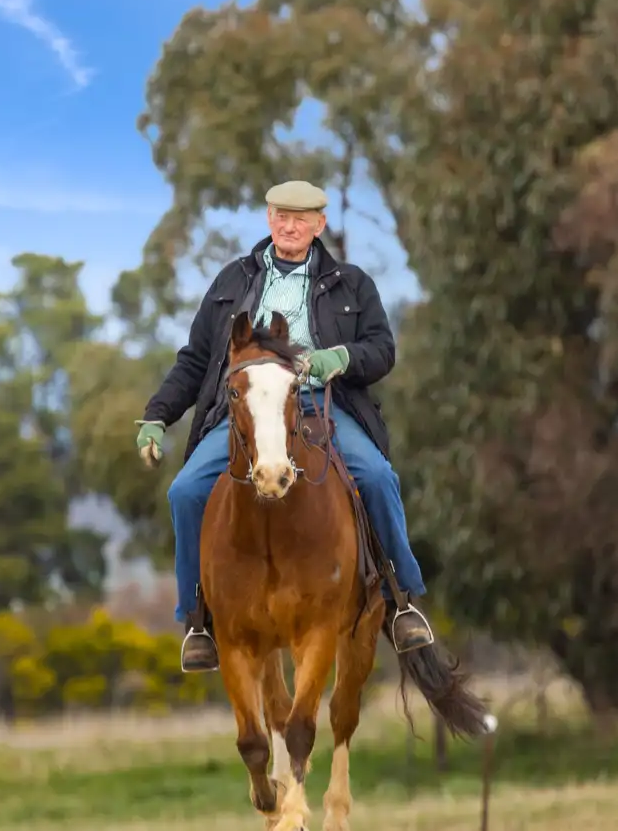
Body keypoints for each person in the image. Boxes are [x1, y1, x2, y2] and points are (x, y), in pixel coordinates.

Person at [134, 179, 436, 673]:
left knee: (379, 478)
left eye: (300, 219)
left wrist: (341, 356)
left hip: (324, 404)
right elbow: (194, 360)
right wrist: (156, 415)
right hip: (248, 408)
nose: (289, 226)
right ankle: (197, 619)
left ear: (319, 225)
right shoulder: (231, 281)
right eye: (280, 216)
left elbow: (382, 350)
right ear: (268, 219)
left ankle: (403, 599)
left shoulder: (352, 283)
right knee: (184, 492)